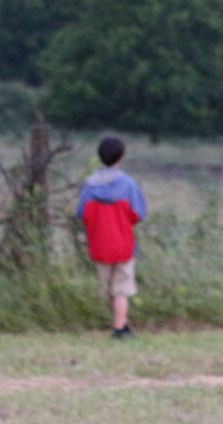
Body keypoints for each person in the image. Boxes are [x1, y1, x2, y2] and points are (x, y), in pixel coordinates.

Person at [76, 135, 147, 339]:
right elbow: (138, 214)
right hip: (124, 244)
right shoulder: (128, 184)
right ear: (122, 157)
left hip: (99, 244)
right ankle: (119, 329)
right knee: (122, 290)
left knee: (109, 289)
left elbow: (82, 213)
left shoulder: (90, 185)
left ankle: (122, 324)